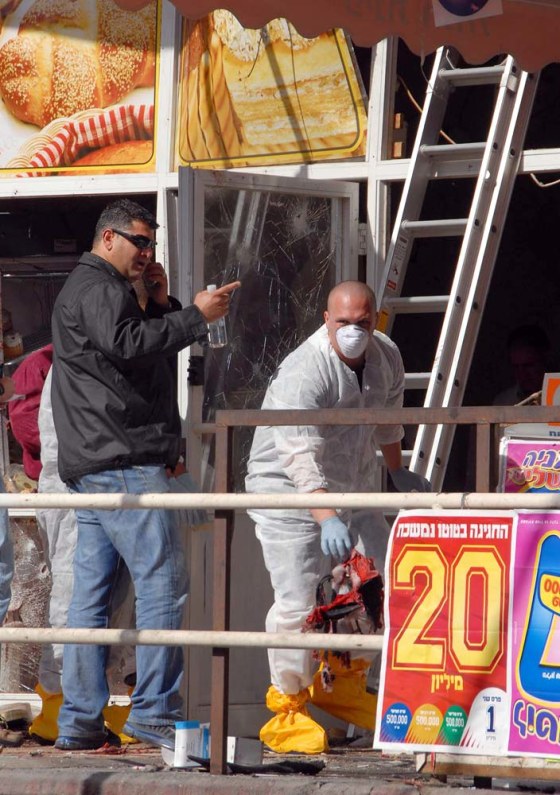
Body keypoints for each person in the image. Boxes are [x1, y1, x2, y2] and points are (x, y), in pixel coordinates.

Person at [50, 198, 240, 752]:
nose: (147, 253)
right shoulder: (99, 288)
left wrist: (159, 304)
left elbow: (131, 357)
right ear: (108, 239)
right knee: (164, 584)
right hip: (121, 462)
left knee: (94, 599)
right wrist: (193, 317)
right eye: (140, 242)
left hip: (104, 460)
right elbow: (130, 347)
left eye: (152, 244)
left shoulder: (100, 290)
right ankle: (155, 711)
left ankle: (81, 720)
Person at [245, 280, 430, 755]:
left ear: (375, 321)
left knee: (374, 583)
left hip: (354, 479)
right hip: (287, 487)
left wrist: (395, 470)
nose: (353, 331)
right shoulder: (305, 371)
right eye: (343, 322)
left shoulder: (385, 355)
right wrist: (324, 515)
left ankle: (345, 682)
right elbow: (298, 455)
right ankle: (286, 708)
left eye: (362, 323)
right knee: (296, 598)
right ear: (326, 319)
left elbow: (388, 418)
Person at [493, 324, 550, 405]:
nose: (522, 374)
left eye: (528, 366)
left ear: (544, 361)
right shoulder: (503, 402)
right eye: (516, 367)